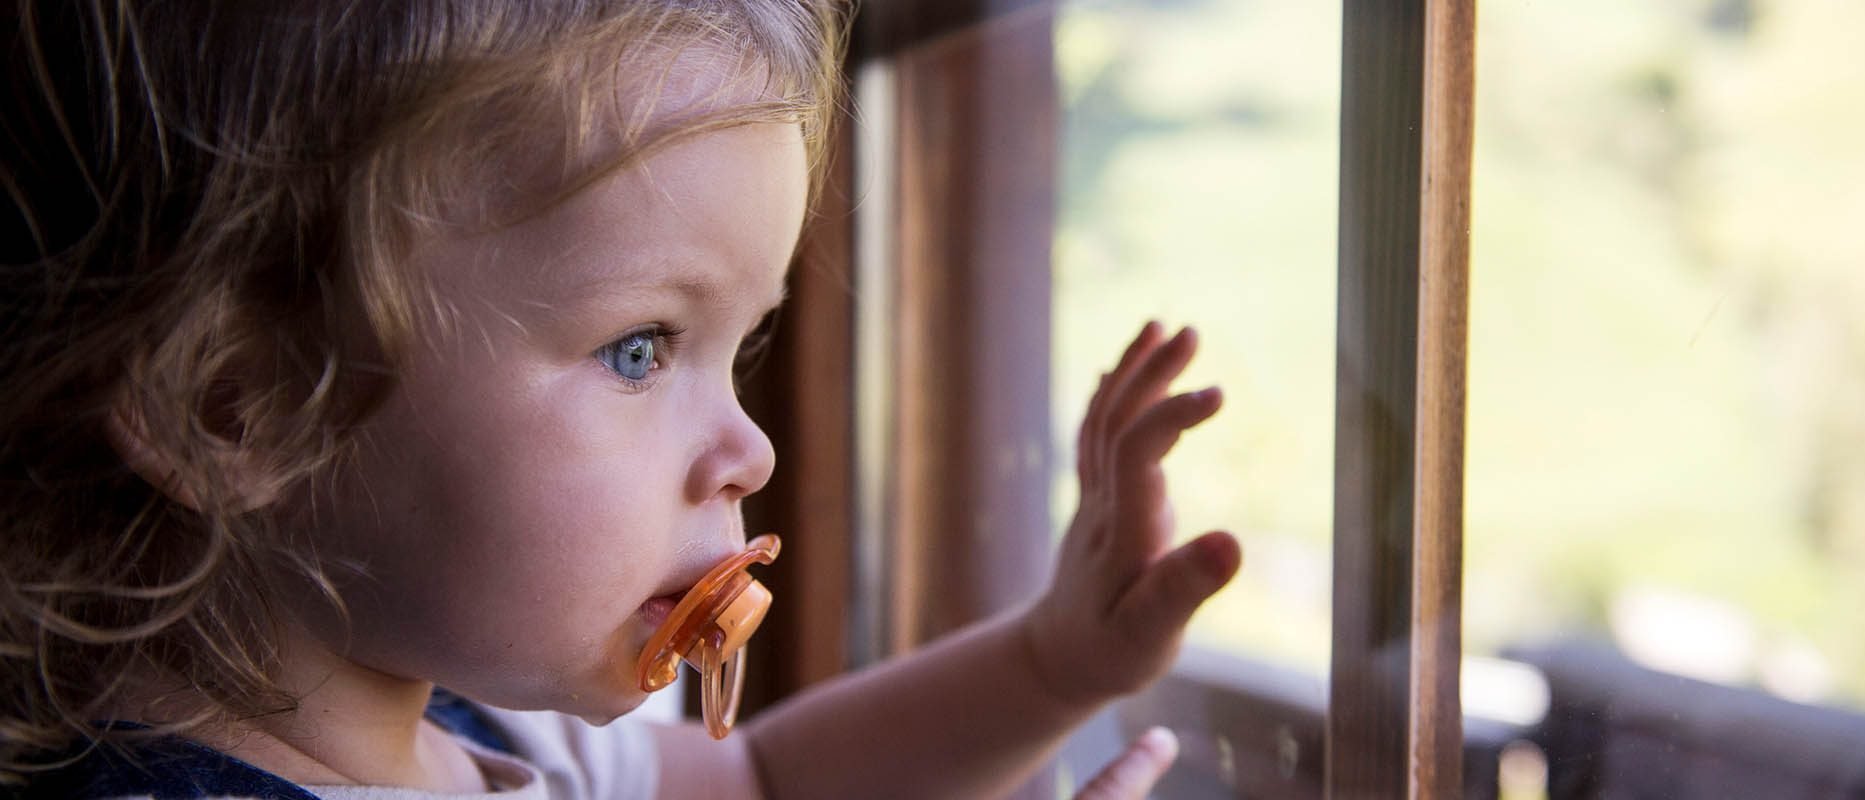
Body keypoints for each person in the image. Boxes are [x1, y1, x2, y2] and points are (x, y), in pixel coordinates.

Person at [0, 1, 1241, 797]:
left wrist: (1052, 660)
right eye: (643, 349)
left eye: (741, 349)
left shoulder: (467, 710)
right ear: (240, 404)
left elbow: (758, 783)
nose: (749, 447)